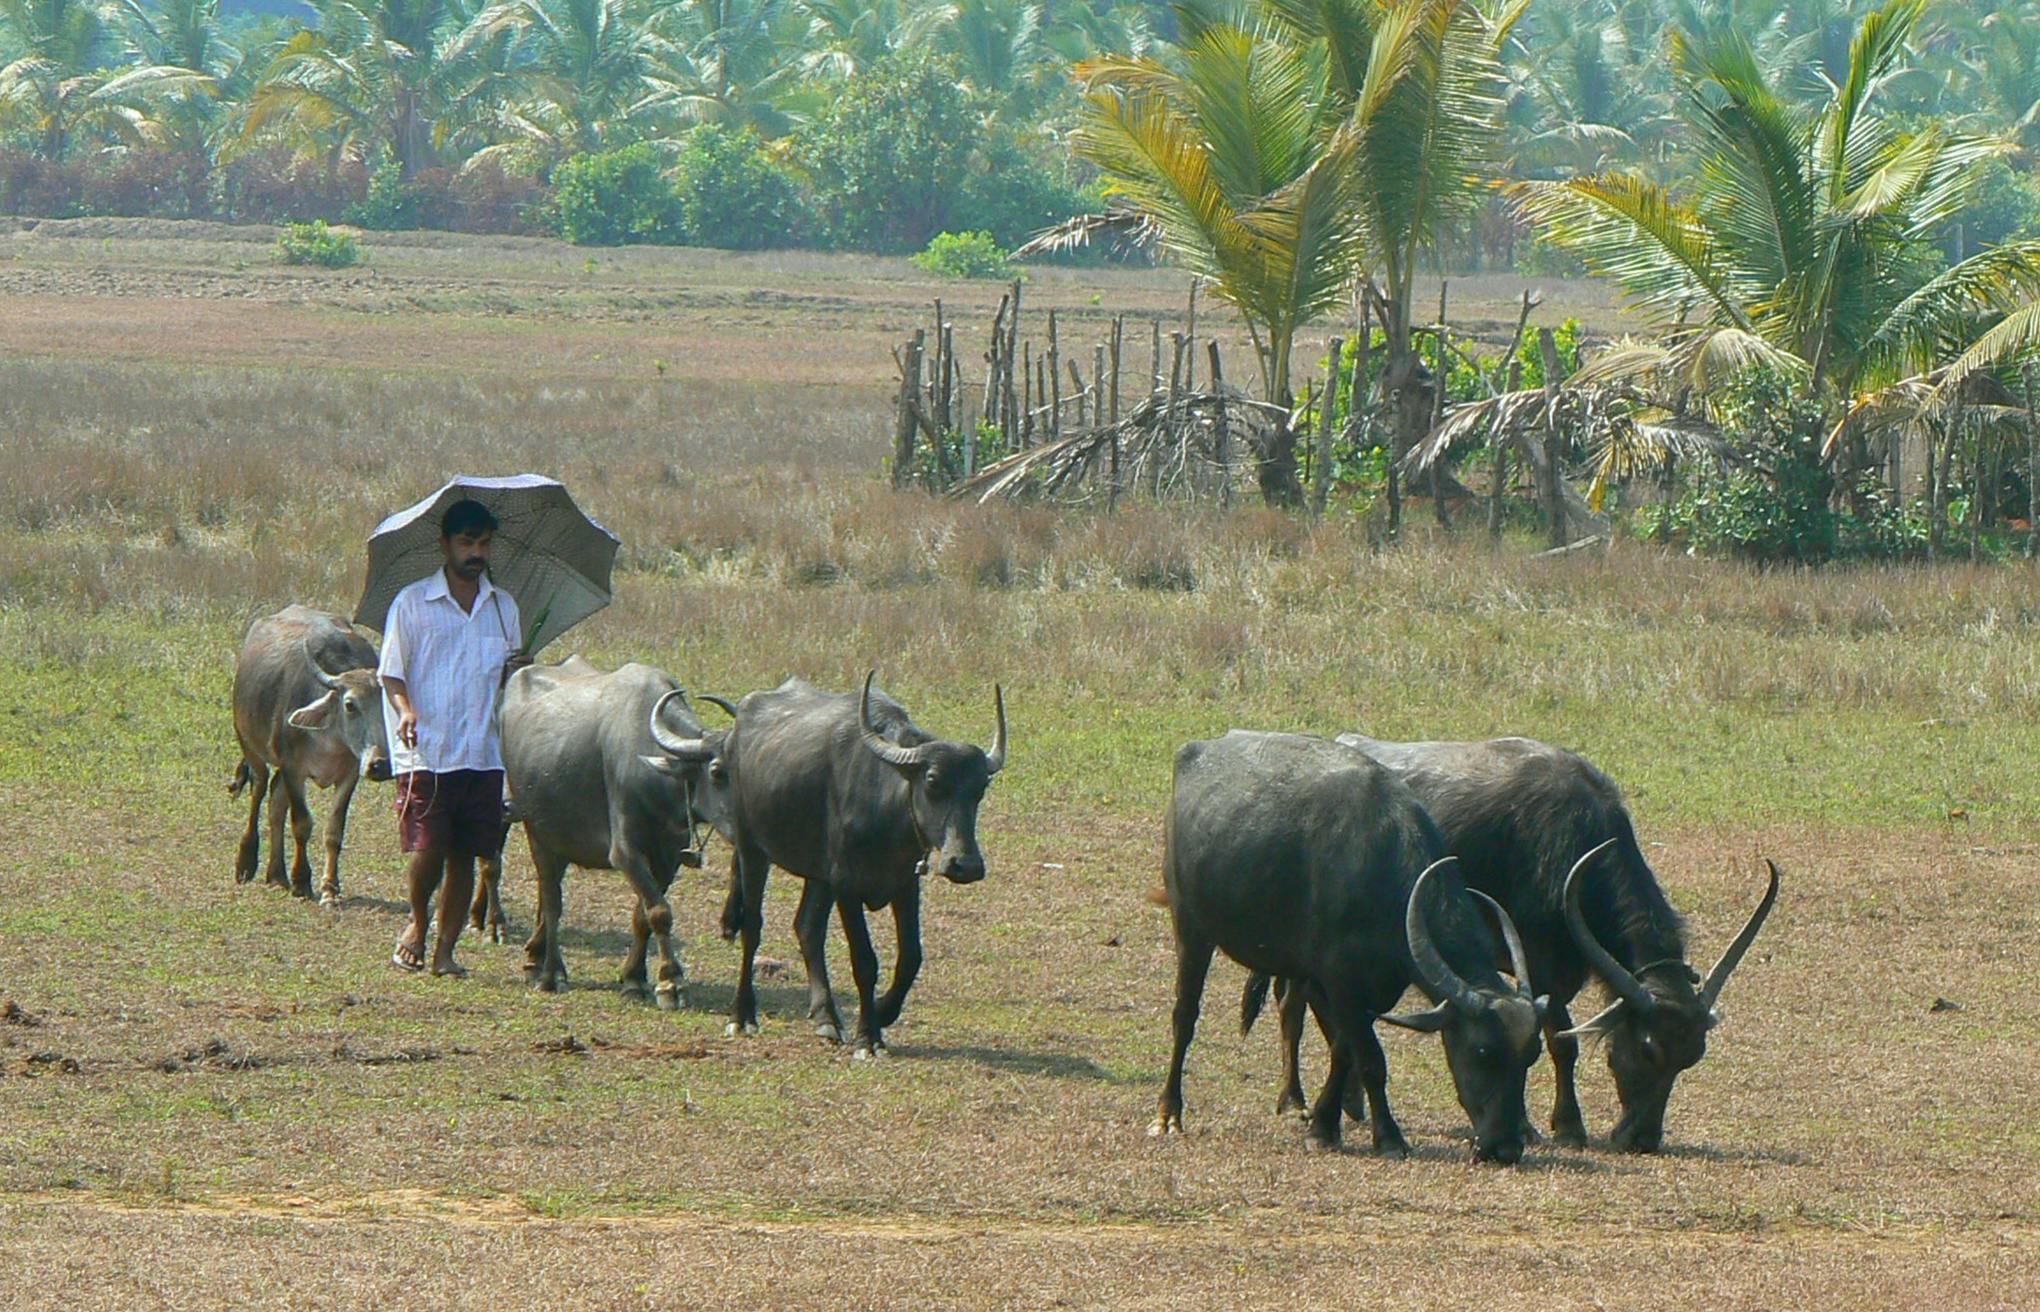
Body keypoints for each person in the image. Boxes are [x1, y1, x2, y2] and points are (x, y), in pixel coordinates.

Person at [378, 498, 531, 976]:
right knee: (427, 849)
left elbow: (510, 682)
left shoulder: (504, 608)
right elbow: (391, 673)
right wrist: (405, 711)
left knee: (467, 852)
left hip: (483, 751)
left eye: (483, 543)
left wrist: (519, 672)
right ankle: (418, 924)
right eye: (466, 542)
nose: (476, 552)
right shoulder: (412, 603)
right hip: (427, 747)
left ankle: (446, 950)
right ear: (445, 544)